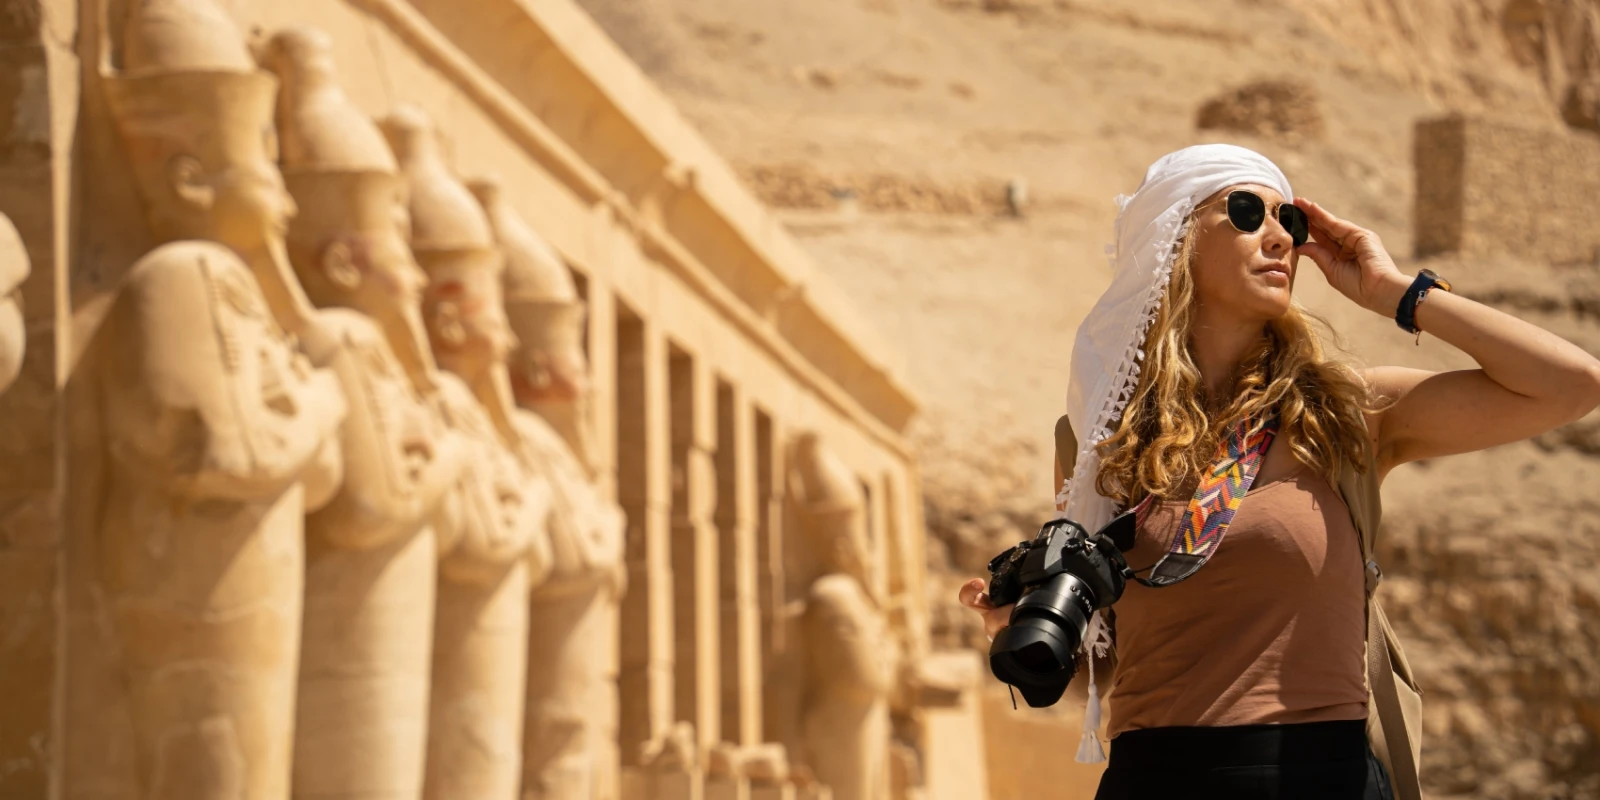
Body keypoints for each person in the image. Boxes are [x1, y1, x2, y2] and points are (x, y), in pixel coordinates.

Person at [957, 144, 1600, 799]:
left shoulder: (1344, 412)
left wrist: (1396, 293)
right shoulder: (1098, 436)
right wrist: (1019, 626)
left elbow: (1571, 386)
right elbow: (1109, 660)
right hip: (1154, 778)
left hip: (1319, 778)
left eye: (1289, 222)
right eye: (1245, 212)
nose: (1279, 238)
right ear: (1172, 240)